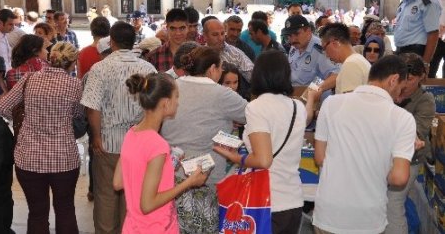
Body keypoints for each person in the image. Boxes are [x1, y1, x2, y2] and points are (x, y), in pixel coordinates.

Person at [313, 55, 417, 234]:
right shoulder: (403, 119)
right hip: (368, 217)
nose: (399, 97)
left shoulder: (331, 104)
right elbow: (399, 178)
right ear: (393, 80)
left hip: (329, 213)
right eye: (401, 89)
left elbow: (320, 157)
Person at [214, 49, 307, 234]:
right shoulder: (298, 106)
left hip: (264, 201)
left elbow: (264, 160)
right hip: (293, 199)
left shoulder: (257, 107)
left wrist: (236, 157)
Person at [0, 42, 83, 233]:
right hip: (64, 159)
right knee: (65, 209)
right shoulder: (75, 85)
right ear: (72, 63)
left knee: (37, 213)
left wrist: (26, 118)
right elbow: (78, 115)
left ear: (50, 59)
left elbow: (2, 107)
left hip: (29, 158)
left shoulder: (29, 79)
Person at [160, 46, 247, 234]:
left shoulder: (170, 87)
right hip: (204, 179)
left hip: (169, 176)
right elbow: (251, 115)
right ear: (212, 69)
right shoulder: (222, 94)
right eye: (221, 68)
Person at [81, 21, 157, 233]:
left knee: (105, 196)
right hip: (138, 144)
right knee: (132, 196)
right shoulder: (147, 68)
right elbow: (153, 108)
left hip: (107, 143)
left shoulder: (100, 68)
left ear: (111, 41)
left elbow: (93, 108)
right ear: (134, 42)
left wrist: (96, 137)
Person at [113, 73, 208, 234]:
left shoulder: (131, 133)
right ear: (165, 103)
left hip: (132, 227)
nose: (178, 103)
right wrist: (189, 182)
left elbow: (118, 182)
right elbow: (148, 204)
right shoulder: (158, 145)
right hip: (157, 227)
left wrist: (167, 165)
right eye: (176, 97)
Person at [385, 53, 435, 234]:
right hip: (386, 157)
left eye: (411, 79)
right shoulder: (389, 93)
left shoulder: (425, 100)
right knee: (400, 202)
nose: (405, 84)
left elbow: (417, 134)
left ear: (421, 76)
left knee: (394, 204)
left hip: (410, 160)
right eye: (402, 78)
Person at [391, 0, 442, 65]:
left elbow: (433, 34)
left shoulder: (426, 2)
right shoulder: (403, 3)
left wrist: (425, 63)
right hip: (400, 52)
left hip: (416, 53)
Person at [281, 15, 339, 91]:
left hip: (314, 99)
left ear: (308, 31)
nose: (292, 40)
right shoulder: (294, 46)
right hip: (293, 94)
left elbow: (335, 76)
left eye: (296, 34)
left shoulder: (320, 49)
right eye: (289, 36)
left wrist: (311, 92)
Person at [319, 23, 370, 94]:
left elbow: (349, 103)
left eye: (324, 48)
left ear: (335, 43)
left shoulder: (351, 64)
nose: (326, 54)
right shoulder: (356, 60)